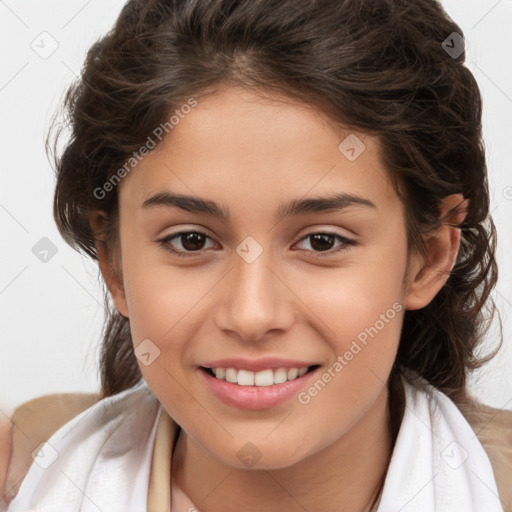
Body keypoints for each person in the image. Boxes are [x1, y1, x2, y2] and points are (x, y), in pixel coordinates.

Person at [2, 0, 511, 510]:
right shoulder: (22, 476)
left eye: (322, 241)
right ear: (113, 262)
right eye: (191, 240)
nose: (251, 315)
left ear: (428, 256)